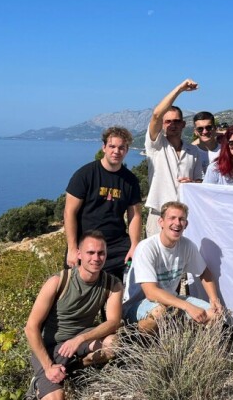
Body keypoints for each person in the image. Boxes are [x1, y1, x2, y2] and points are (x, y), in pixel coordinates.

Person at [25, 231, 123, 400]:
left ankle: (72, 368)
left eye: (101, 253)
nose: (96, 258)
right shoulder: (58, 281)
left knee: (114, 344)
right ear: (79, 254)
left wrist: (80, 339)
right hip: (51, 348)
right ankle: (39, 382)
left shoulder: (112, 284)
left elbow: (113, 322)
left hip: (80, 341)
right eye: (90, 253)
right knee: (56, 397)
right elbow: (31, 328)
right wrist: (48, 367)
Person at [123, 201, 223, 333]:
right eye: (172, 218)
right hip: (139, 304)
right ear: (161, 222)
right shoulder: (147, 247)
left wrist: (214, 299)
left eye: (181, 219)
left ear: (186, 225)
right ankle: (143, 343)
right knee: (159, 312)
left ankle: (180, 338)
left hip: (172, 302)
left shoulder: (187, 246)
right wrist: (187, 306)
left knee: (214, 315)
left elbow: (204, 273)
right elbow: (151, 292)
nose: (177, 223)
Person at [64, 127, 142, 281]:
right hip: (87, 244)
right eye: (112, 146)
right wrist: (73, 249)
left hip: (117, 244)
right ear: (104, 147)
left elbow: (135, 215)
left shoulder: (130, 180)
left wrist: (135, 246)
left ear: (126, 150)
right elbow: (69, 212)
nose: (116, 151)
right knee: (79, 290)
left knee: (122, 288)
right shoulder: (85, 175)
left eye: (121, 148)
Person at [144, 79, 203, 237]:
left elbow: (200, 182)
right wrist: (180, 89)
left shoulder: (194, 151)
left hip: (184, 217)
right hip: (159, 215)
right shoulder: (155, 146)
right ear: (163, 124)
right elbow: (156, 114)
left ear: (183, 124)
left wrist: (192, 184)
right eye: (168, 121)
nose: (172, 125)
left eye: (176, 121)